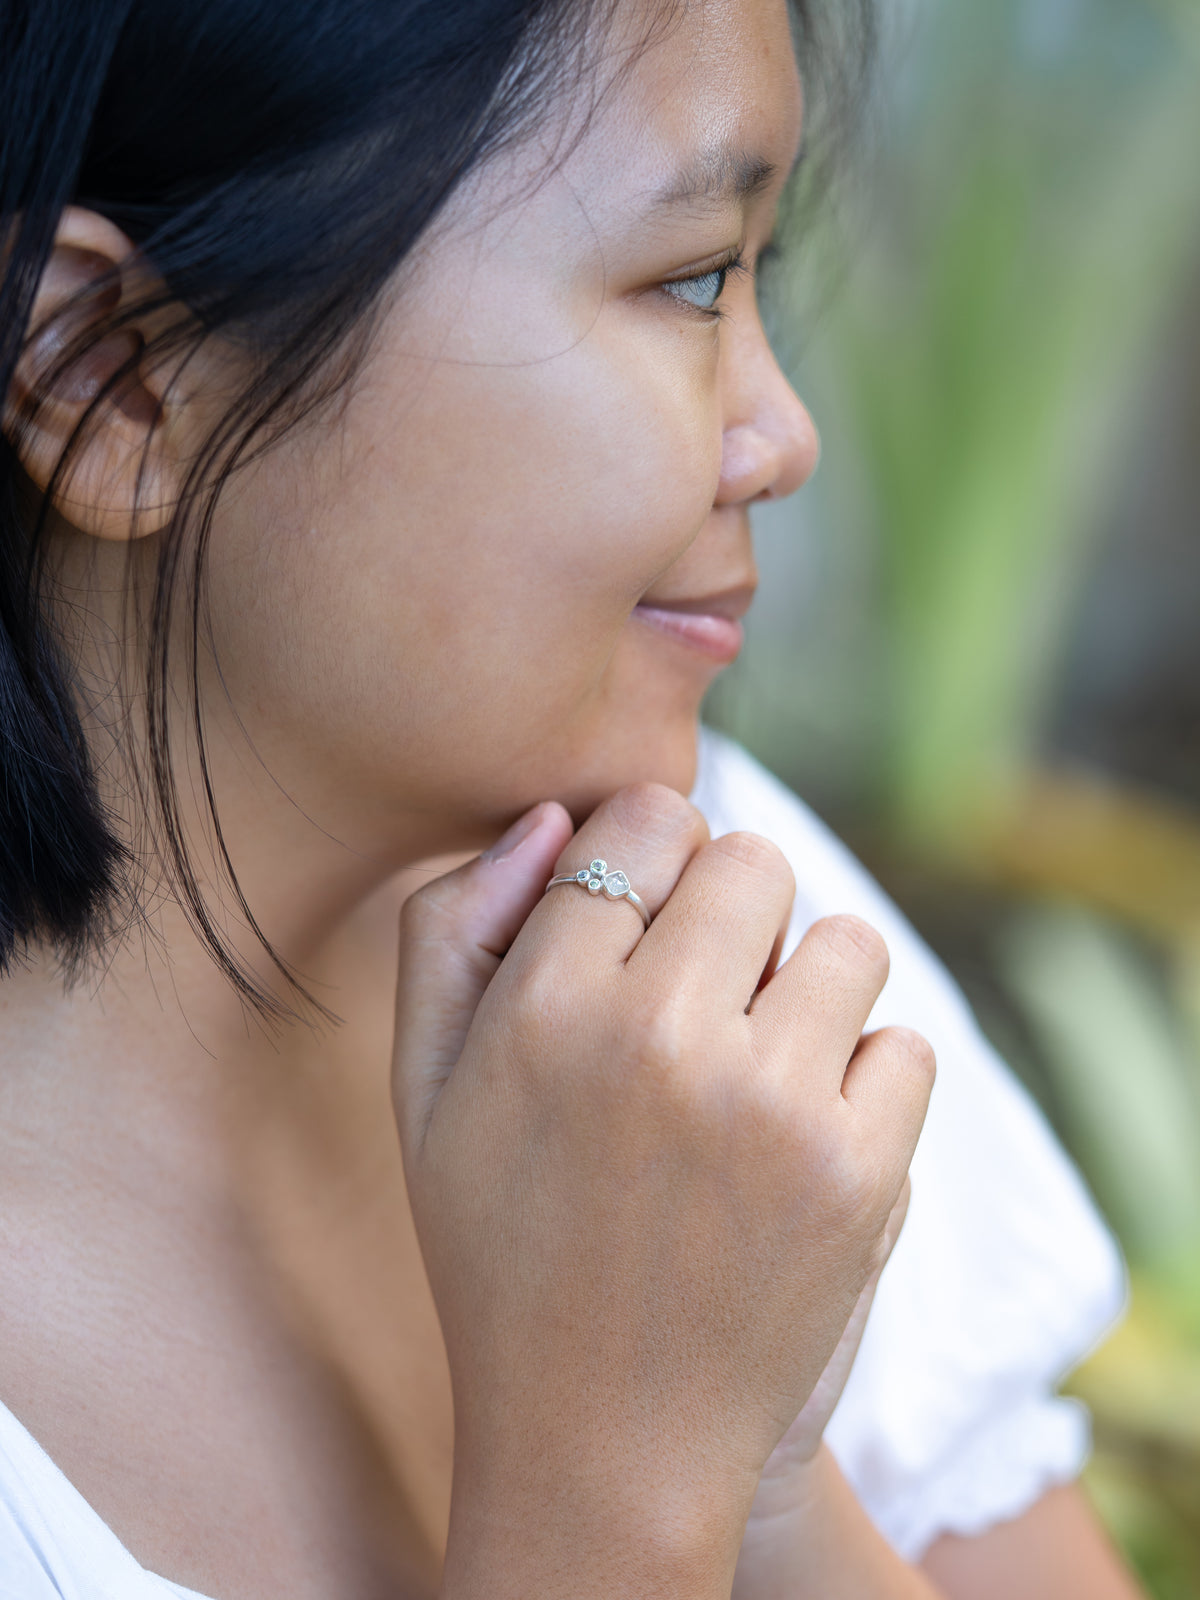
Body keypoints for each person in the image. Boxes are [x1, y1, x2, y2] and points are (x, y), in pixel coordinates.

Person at [0, 0, 1142, 1595]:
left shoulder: (708, 927)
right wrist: (615, 1483)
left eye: (758, 280)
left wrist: (774, 1487)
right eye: (689, 281)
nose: (782, 435)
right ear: (108, 377)